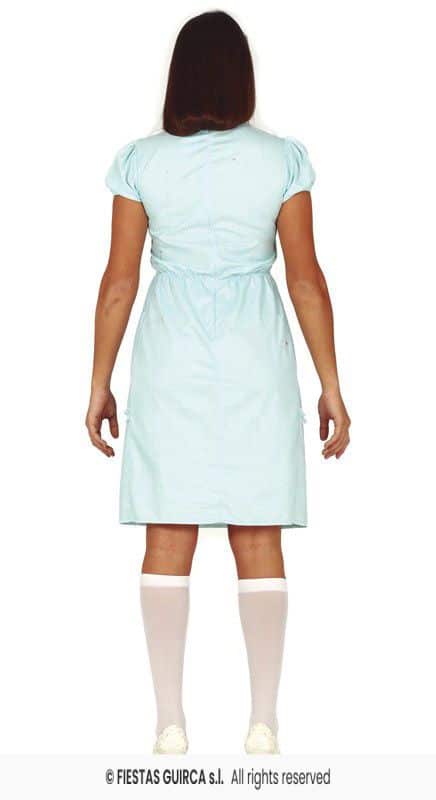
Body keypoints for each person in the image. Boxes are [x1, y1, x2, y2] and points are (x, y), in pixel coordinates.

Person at [86, 10, 351, 755]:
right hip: (255, 352)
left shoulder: (140, 162)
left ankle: (168, 724)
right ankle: (264, 724)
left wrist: (99, 381)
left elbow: (118, 282)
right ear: (243, 76)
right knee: (258, 531)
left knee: (167, 530)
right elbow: (305, 278)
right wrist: (331, 384)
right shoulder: (282, 161)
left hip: (170, 354)